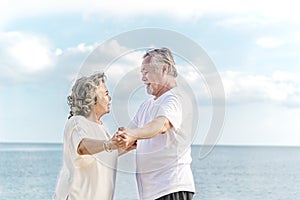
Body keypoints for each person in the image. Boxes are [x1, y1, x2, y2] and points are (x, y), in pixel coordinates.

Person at [118, 48, 195, 200]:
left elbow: (161, 125)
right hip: (152, 194)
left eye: (146, 72)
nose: (143, 78)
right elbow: (125, 141)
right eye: (141, 73)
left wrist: (133, 134)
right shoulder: (146, 106)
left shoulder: (175, 98)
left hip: (171, 188)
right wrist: (94, 158)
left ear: (164, 69)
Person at [54, 72, 126, 200]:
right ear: (92, 98)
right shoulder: (76, 122)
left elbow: (102, 154)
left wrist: (126, 145)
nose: (110, 98)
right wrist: (109, 144)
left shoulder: (100, 128)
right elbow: (82, 146)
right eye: (106, 94)